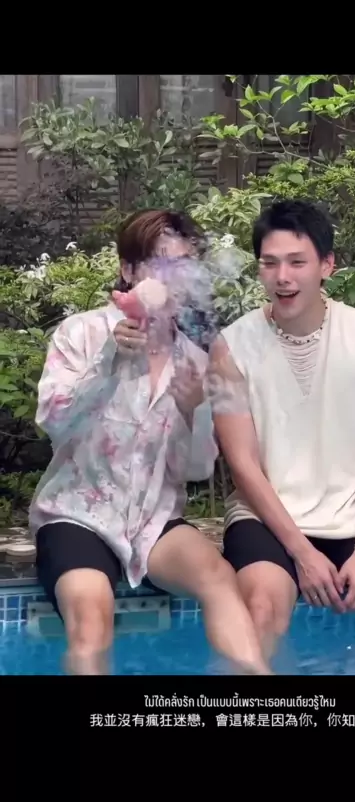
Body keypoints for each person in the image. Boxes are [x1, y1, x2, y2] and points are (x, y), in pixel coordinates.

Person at [208, 198, 355, 670]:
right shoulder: (229, 348)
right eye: (270, 263)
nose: (283, 277)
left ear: (327, 265)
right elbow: (243, 464)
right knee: (261, 618)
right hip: (266, 519)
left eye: (297, 262)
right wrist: (302, 553)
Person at [29, 208, 270, 676]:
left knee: (220, 579)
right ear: (129, 271)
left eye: (184, 266)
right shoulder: (82, 333)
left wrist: (193, 410)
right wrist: (109, 360)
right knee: (91, 614)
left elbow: (196, 470)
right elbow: (54, 422)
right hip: (77, 513)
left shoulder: (195, 359)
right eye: (160, 265)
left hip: (154, 519)